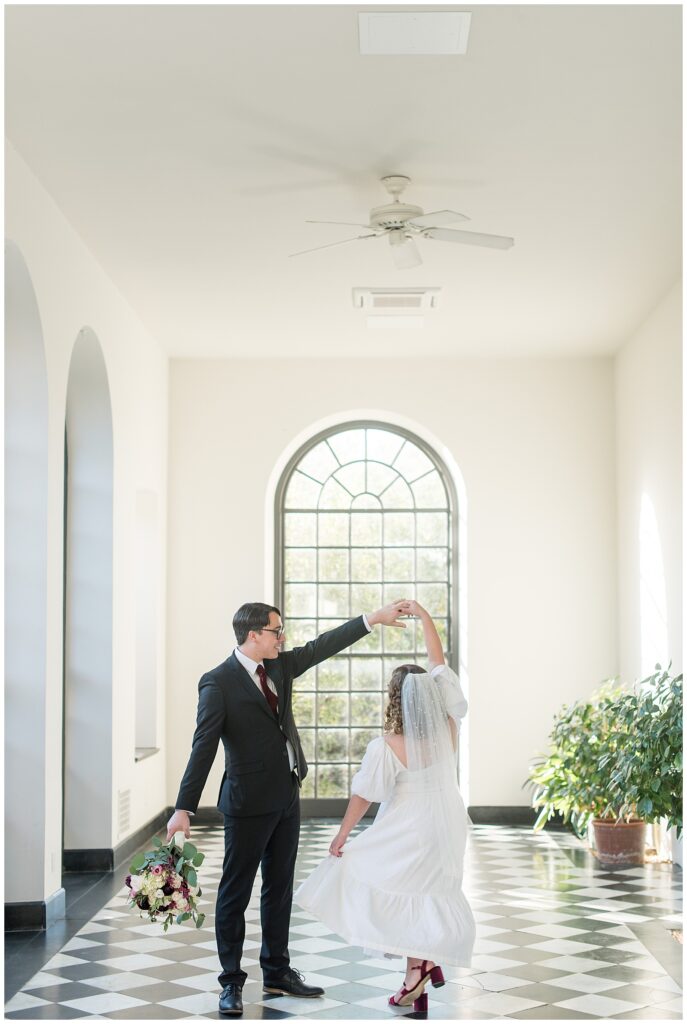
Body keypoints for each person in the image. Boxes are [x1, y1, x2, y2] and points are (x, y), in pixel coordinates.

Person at [166, 599, 408, 1017]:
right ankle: (231, 983)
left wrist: (373, 619)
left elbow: (323, 646)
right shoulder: (217, 682)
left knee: (278, 890)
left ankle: (277, 971)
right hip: (245, 804)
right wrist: (184, 807)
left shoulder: (278, 666)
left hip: (285, 797)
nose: (283, 637)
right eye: (277, 631)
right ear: (253, 634)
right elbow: (202, 747)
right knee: (234, 894)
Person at [295, 600, 475, 1012]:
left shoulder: (387, 746)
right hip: (446, 824)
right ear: (431, 697)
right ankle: (418, 975)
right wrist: (426, 616)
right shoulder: (450, 727)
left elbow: (365, 796)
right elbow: (438, 660)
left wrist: (343, 834)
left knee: (368, 876)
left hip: (407, 828)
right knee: (425, 894)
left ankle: (419, 969)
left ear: (395, 699)